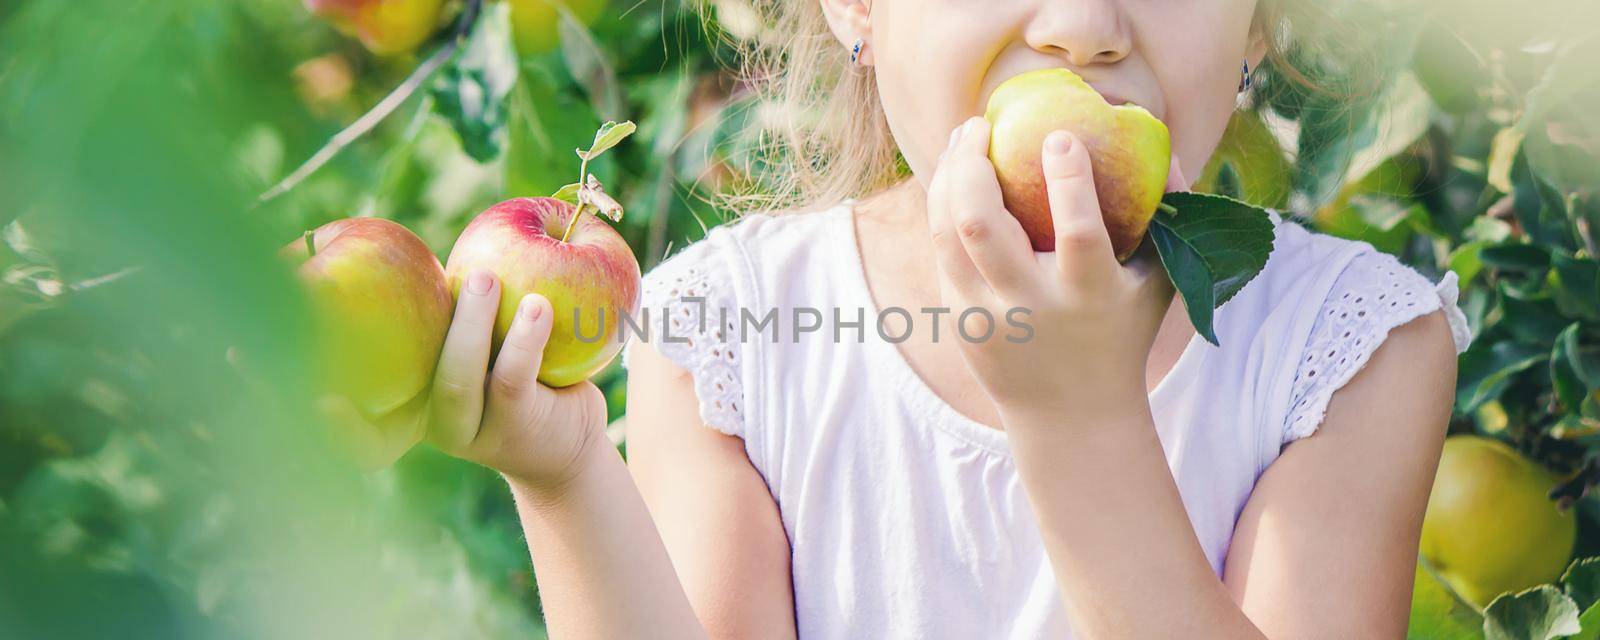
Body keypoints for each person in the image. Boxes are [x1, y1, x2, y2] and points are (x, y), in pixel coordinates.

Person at [344, 0, 1475, 637]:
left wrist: (1081, 426)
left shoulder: (1349, 348)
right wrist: (568, 476)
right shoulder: (729, 330)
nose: (1084, 28)